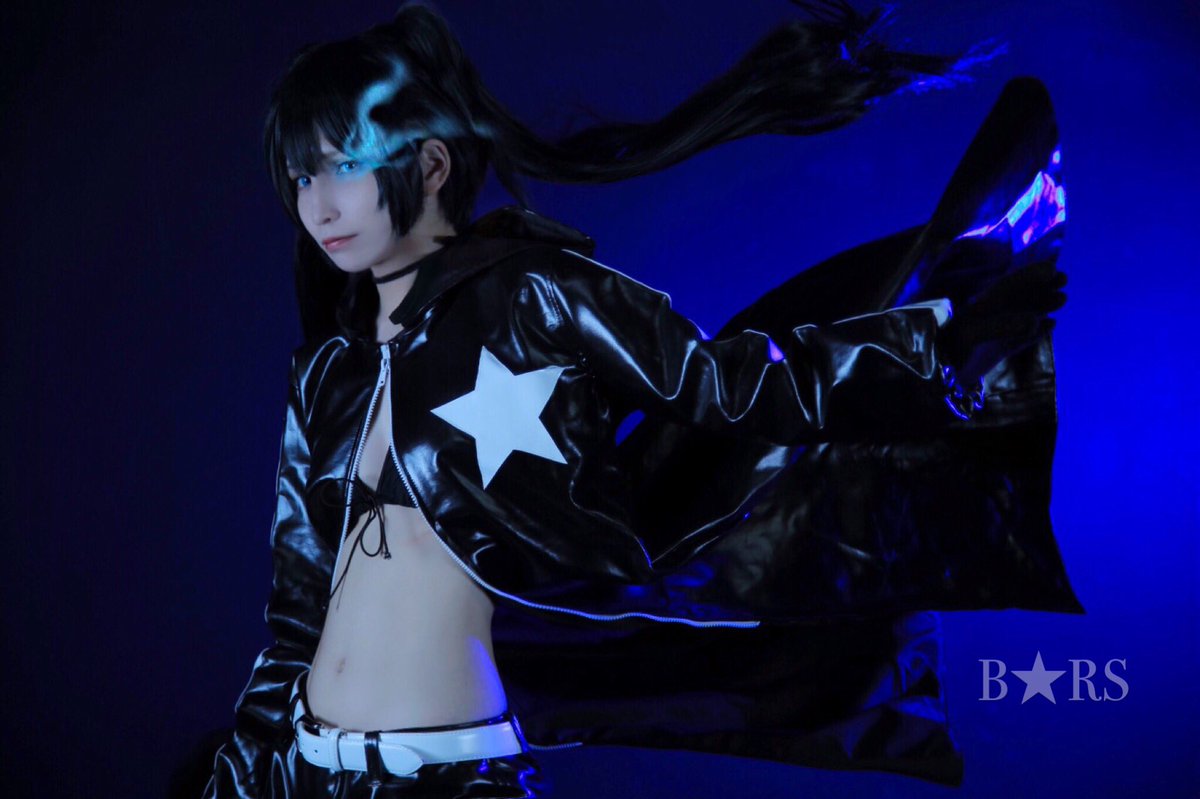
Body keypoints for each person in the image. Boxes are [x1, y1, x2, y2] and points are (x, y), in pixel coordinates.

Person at [202, 2, 1073, 797]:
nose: (318, 205)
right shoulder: (330, 371)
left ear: (430, 164)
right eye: (301, 177)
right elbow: (296, 618)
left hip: (449, 777)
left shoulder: (536, 297)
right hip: (302, 774)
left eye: (344, 165)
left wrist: (934, 342)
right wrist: (239, 776)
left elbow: (735, 382)